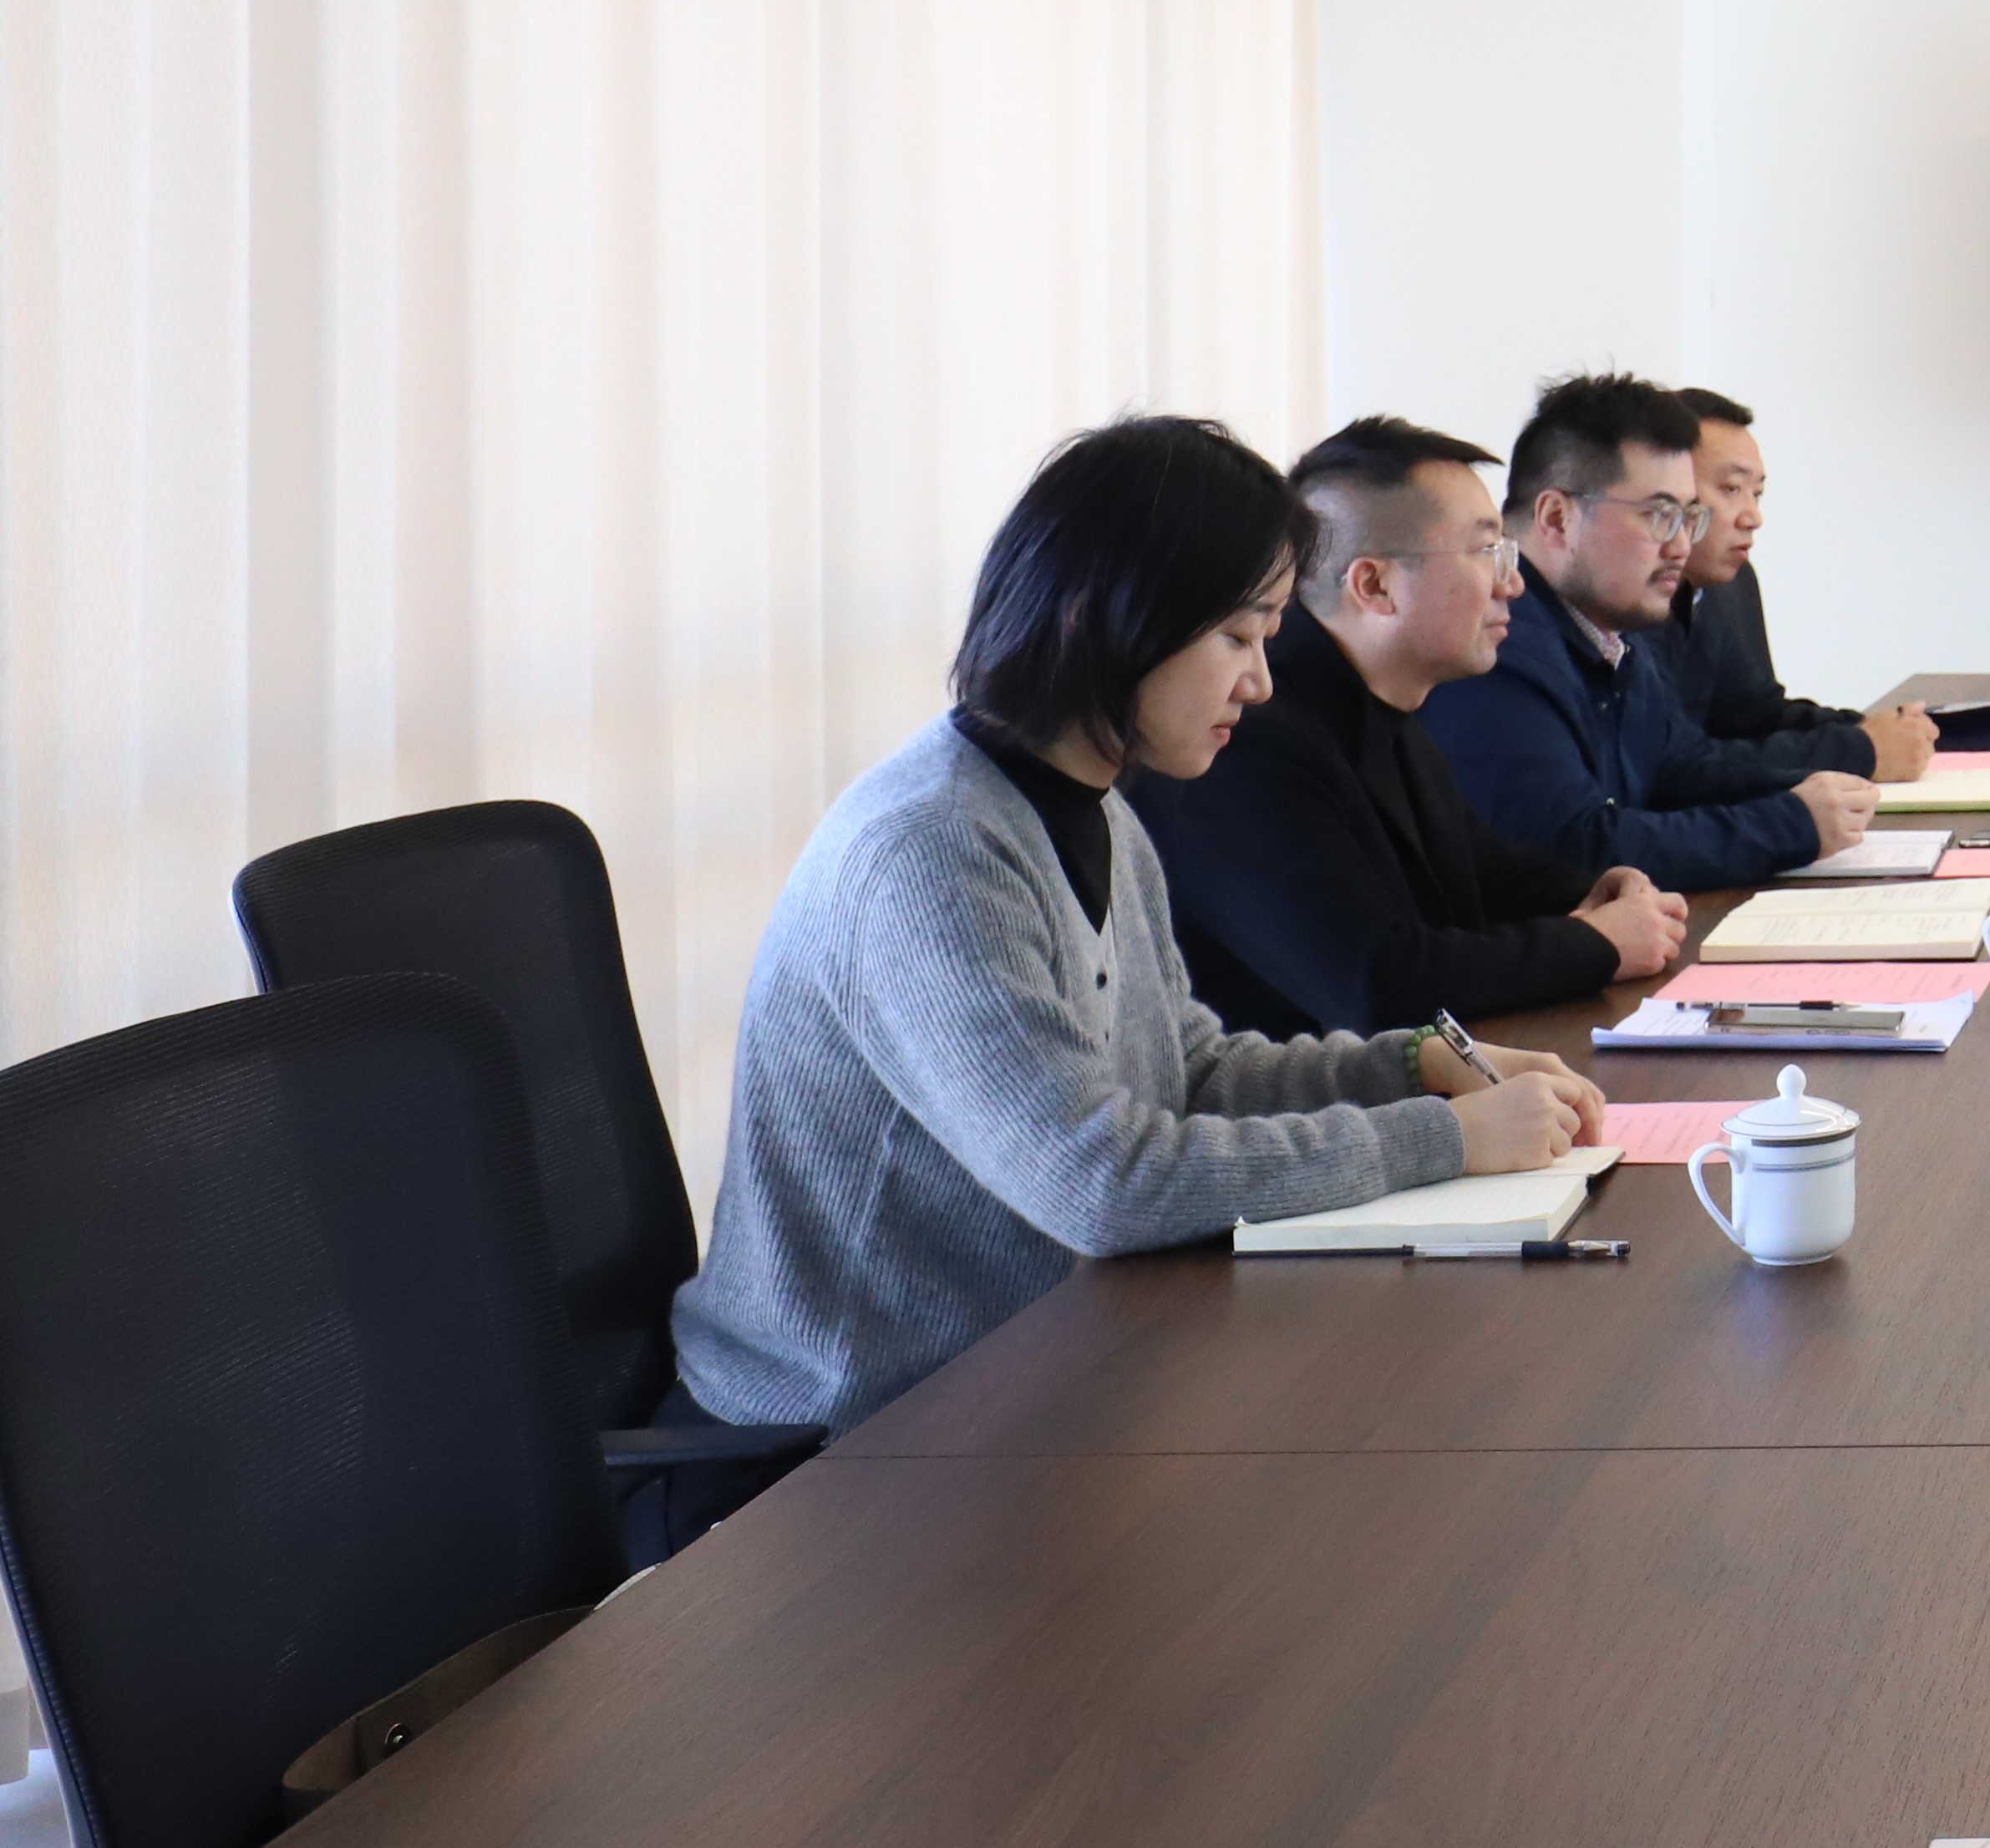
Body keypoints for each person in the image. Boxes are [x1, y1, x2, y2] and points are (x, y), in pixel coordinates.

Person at [671, 417, 1612, 1434]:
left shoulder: (1099, 808)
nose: (1261, 682)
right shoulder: (930, 853)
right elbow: (1103, 1183)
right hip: (848, 1437)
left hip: (1032, 1377)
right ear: (1116, 620)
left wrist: (1415, 1065)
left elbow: (1187, 1072)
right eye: (1240, 637)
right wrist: (1442, 1137)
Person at [1126, 416, 1697, 1038]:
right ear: (1375, 585)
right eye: (1487, 551)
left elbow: (1482, 873)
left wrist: (1597, 893)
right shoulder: (1245, 734)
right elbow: (1378, 981)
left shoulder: (1382, 704)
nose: (1512, 583)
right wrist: (1599, 944)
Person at [1422, 371, 1876, 892]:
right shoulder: (1497, 644)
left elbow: (1680, 771)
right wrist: (1790, 824)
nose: (1681, 546)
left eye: (1689, 517)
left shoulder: (1614, 635)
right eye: (1660, 515)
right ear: (1557, 518)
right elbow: (1575, 848)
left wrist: (1818, 792)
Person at [1656, 387, 1935, 787]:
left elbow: (1753, 716)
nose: (1753, 517)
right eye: (1731, 489)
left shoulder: (1732, 583)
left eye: (1757, 494)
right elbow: (1671, 765)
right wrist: (1860, 750)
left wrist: (1869, 729)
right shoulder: (1627, 599)